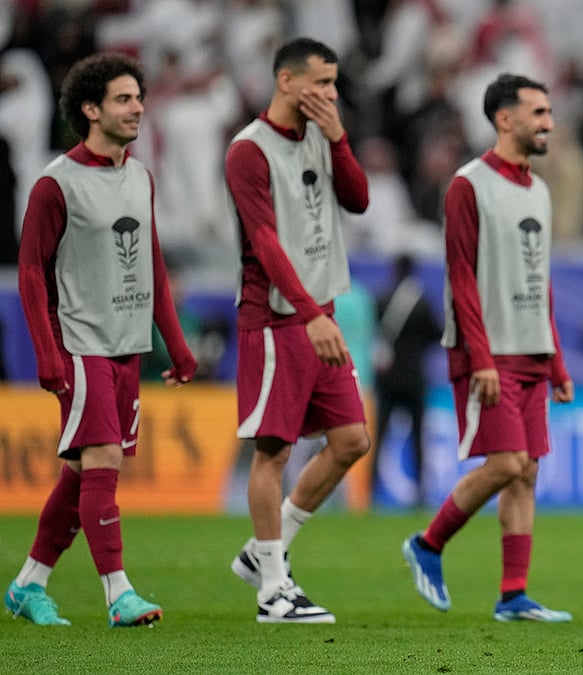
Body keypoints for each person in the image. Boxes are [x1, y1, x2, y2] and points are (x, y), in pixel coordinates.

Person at [5, 52, 196, 627]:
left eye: (138, 96)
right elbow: (31, 271)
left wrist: (176, 344)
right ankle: (119, 594)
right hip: (81, 343)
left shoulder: (140, 175)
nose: (137, 107)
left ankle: (27, 584)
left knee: (84, 472)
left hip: (127, 346)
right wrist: (46, 351)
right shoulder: (55, 184)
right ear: (91, 110)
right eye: (123, 98)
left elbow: (154, 265)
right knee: (104, 460)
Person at [401, 73, 574, 623]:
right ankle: (428, 544)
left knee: (526, 472)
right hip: (488, 353)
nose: (549, 122)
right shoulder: (467, 185)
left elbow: (539, 279)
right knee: (505, 463)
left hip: (531, 351)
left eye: (549, 113)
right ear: (505, 119)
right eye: (538, 113)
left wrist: (556, 362)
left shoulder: (539, 190)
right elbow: (461, 279)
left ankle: (512, 594)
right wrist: (479, 358)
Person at [224, 37, 371, 624]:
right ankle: (273, 592)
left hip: (320, 311)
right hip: (277, 317)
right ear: (286, 81)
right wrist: (309, 314)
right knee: (274, 448)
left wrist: (338, 136)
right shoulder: (248, 151)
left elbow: (358, 200)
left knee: (352, 441)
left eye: (335, 84)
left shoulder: (321, 135)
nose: (330, 94)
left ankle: (266, 548)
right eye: (321, 83)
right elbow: (264, 241)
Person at [374, 253, 441, 504]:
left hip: (387, 379)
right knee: (417, 438)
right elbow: (436, 334)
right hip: (414, 379)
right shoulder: (421, 302)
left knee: (379, 437)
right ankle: (420, 493)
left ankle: (370, 492)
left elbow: (375, 333)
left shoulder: (381, 299)